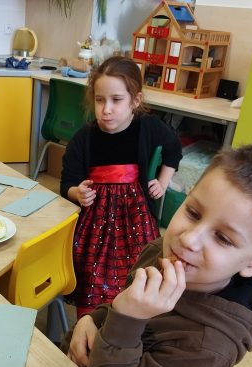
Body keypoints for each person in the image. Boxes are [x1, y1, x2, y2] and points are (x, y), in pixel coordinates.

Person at [65, 141, 252, 367]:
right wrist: (94, 318)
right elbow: (122, 303)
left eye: (223, 238)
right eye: (193, 213)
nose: (189, 239)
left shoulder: (207, 346)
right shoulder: (162, 253)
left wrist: (127, 318)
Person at [60, 56, 182, 318]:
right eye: (100, 100)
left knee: (140, 268)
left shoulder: (148, 126)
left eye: (116, 100)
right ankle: (90, 322)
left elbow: (174, 150)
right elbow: (67, 183)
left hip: (136, 218)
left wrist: (162, 181)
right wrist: (77, 193)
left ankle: (131, 318)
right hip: (94, 225)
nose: (106, 109)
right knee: (92, 272)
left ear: (135, 100)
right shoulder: (84, 138)